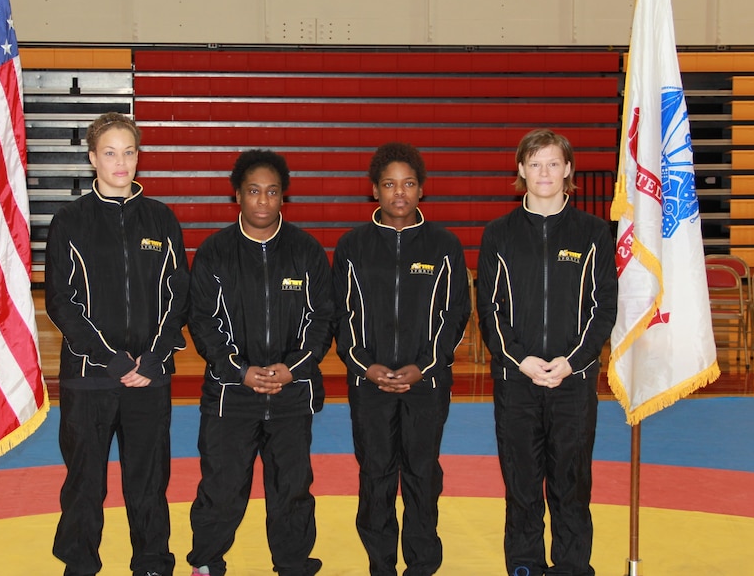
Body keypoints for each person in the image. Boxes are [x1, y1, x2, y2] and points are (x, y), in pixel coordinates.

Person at [46, 112, 189, 576]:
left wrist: (153, 358)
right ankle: (79, 565)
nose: (120, 161)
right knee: (85, 483)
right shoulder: (70, 221)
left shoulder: (162, 219)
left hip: (150, 377)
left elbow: (178, 295)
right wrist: (109, 358)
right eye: (110, 152)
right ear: (92, 159)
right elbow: (60, 302)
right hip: (90, 379)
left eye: (129, 151)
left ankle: (151, 563)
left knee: (148, 482)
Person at [476, 129, 618, 576]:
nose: (544, 172)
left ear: (568, 171)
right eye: (534, 163)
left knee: (571, 485)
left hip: (573, 384)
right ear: (520, 170)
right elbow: (489, 309)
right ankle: (524, 565)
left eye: (553, 163)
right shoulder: (498, 234)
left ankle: (573, 567)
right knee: (521, 484)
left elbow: (604, 309)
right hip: (516, 382)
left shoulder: (594, 232)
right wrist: (520, 359)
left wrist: (571, 362)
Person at [187, 149, 334, 576]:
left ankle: (293, 564)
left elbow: (322, 318)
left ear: (283, 197)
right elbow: (203, 322)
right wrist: (240, 372)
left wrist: (294, 368)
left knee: (292, 489)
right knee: (221, 487)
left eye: (272, 192)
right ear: (238, 195)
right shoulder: (215, 252)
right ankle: (207, 563)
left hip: (291, 394)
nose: (263, 201)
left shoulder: (305, 251)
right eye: (254, 191)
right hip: (230, 396)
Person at [332, 142, 470, 576]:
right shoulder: (352, 246)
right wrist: (366, 366)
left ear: (421, 190)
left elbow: (456, 316)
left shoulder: (445, 246)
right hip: (368, 384)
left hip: (426, 385)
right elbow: (341, 315)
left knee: (421, 475)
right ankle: (380, 564)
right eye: (389, 184)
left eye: (408, 184)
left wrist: (424, 365)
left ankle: (423, 564)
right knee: (375, 475)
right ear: (374, 190)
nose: (399, 192)